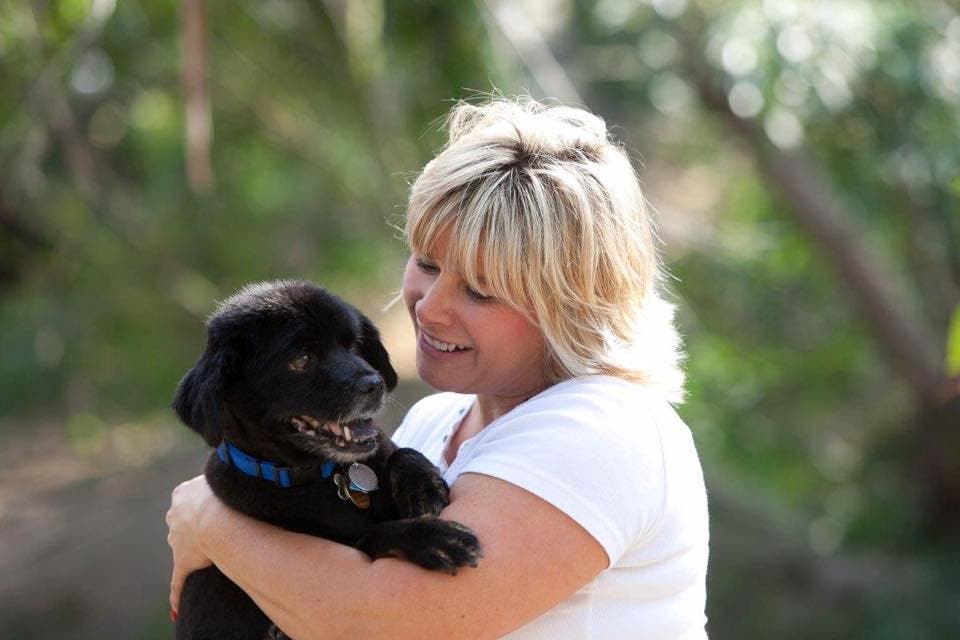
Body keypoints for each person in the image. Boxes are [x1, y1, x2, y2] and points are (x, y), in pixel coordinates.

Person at [166, 96, 709, 639]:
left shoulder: (603, 427)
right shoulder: (433, 423)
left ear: (570, 306)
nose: (429, 306)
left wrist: (211, 522)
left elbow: (385, 623)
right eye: (427, 262)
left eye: (479, 290)